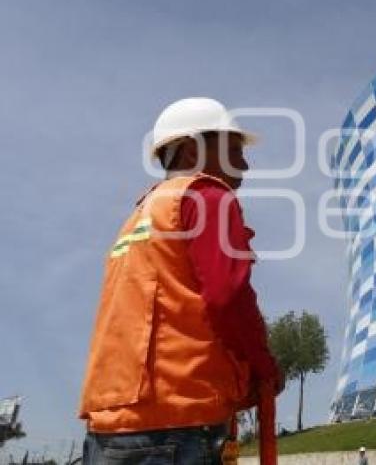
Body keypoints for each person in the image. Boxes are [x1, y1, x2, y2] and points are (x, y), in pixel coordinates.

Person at [78, 98, 282, 464]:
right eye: (234, 151)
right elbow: (227, 295)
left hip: (108, 427)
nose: (245, 164)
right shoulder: (208, 196)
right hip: (179, 423)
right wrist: (263, 367)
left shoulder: (141, 215)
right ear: (191, 151)